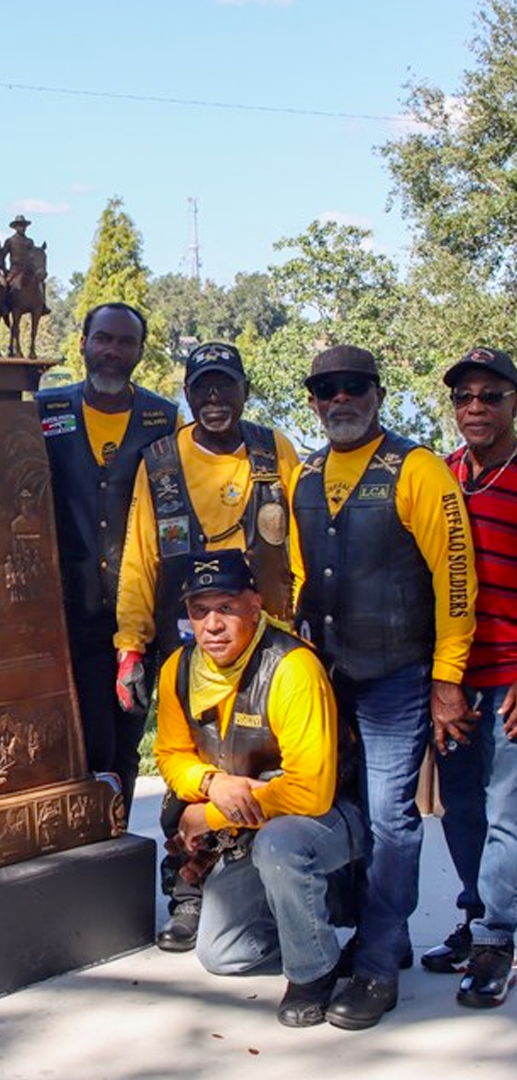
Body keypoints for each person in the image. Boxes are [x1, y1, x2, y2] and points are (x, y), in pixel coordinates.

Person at [289, 344, 477, 1029]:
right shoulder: (305, 474)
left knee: (393, 819)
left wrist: (448, 677)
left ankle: (376, 964)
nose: (341, 399)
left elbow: (457, 579)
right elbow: (296, 577)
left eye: (354, 386)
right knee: (342, 811)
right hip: (329, 677)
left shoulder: (417, 469)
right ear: (314, 402)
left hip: (398, 675)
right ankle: (377, 934)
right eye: (327, 389)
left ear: (377, 393)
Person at [115, 341, 298, 951]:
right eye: (202, 387)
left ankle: (270, 888)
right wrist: (130, 645)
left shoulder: (274, 452)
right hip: (190, 639)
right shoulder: (161, 461)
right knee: (189, 765)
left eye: (226, 385)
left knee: (265, 762)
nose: (214, 398)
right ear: (188, 394)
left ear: (245, 389)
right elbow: (140, 557)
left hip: (268, 640)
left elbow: (300, 544)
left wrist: (300, 632)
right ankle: (188, 892)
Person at [155, 550, 363, 1027]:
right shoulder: (178, 670)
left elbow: (310, 793)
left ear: (255, 605)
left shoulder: (292, 667)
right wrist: (211, 783)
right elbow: (169, 753)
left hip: (326, 821)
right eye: (199, 611)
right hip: (252, 823)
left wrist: (210, 813)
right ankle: (312, 931)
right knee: (222, 954)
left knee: (280, 845)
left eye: (226, 608)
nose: (212, 625)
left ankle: (313, 973)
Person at [37, 303, 177, 822]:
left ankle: (115, 840)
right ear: (83, 343)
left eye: (125, 342)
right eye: (103, 339)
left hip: (137, 611)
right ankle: (85, 838)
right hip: (67, 610)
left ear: (140, 351)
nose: (113, 351)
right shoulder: (46, 410)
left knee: (125, 737)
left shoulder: (163, 418)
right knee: (84, 739)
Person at [420, 347, 517, 1008]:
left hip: (509, 677)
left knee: (507, 812)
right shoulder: (442, 475)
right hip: (452, 679)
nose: (475, 407)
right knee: (460, 809)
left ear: (513, 402)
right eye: (464, 397)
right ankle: (476, 915)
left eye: (491, 395)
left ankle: (497, 940)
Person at [3, 215, 36, 284]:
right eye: (20, 226)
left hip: (28, 270)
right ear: (15, 227)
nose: (22, 228)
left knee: (39, 284)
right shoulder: (10, 241)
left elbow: (33, 257)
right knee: (5, 285)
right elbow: (2, 256)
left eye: (24, 226)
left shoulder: (29, 241)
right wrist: (5, 270)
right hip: (15, 270)